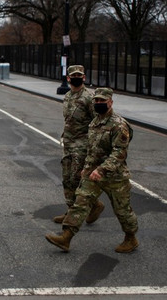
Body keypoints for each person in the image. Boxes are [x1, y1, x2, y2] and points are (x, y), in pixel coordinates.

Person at [45, 87, 139, 253]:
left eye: (102, 101)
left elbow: (119, 153)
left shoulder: (119, 125)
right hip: (93, 174)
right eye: (96, 100)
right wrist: (87, 169)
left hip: (115, 177)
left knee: (122, 210)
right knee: (80, 203)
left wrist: (101, 170)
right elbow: (92, 150)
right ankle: (66, 237)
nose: (99, 103)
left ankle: (131, 238)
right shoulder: (94, 123)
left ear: (110, 102)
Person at [54, 65, 104, 225]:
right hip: (68, 143)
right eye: (73, 75)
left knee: (77, 179)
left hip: (82, 145)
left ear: (84, 78)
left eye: (79, 75)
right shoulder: (68, 96)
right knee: (67, 179)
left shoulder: (89, 98)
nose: (76, 78)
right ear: (68, 78)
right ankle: (70, 210)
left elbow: (97, 123)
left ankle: (94, 205)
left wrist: (94, 148)